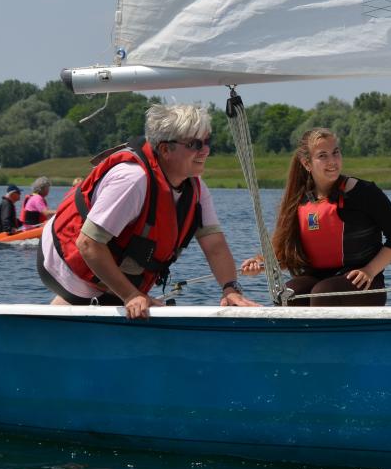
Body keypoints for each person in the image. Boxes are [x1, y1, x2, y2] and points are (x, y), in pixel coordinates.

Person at [38, 103, 258, 318]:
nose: (206, 150)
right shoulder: (133, 180)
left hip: (106, 272)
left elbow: (214, 245)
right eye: (195, 144)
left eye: (207, 142)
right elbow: (88, 243)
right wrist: (131, 295)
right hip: (65, 264)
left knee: (125, 305)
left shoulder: (196, 188)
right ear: (165, 149)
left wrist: (230, 289)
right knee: (115, 304)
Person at [242, 127, 391, 306]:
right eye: (323, 156)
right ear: (307, 164)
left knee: (324, 294)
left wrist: (370, 270)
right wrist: (260, 264)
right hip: (318, 279)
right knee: (287, 295)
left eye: (335, 153)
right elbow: (287, 254)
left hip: (363, 282)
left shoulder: (364, 192)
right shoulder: (299, 200)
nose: (332, 161)